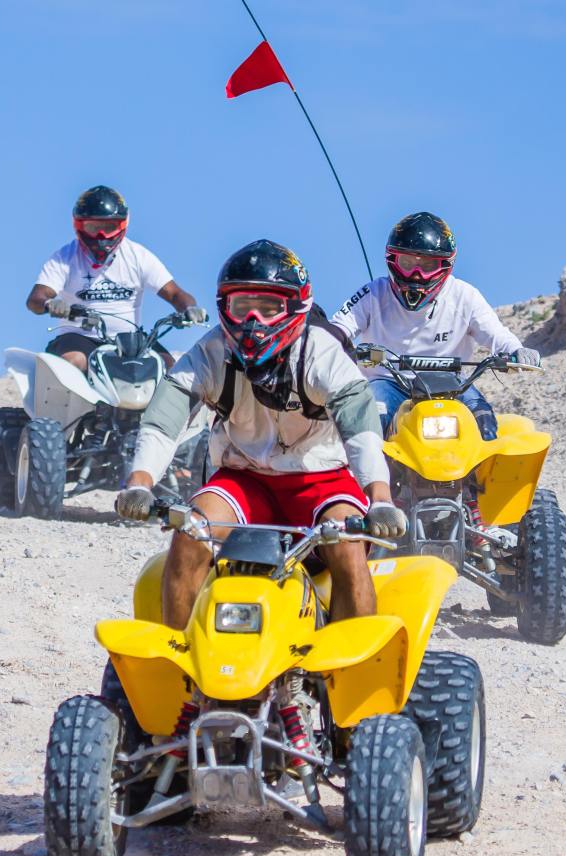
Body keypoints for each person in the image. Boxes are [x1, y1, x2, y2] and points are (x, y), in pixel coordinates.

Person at [115, 239, 406, 629]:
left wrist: (380, 498)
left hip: (320, 480)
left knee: (348, 548)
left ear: (297, 307)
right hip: (244, 479)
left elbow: (360, 429)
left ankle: (355, 662)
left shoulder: (321, 353)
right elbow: (165, 420)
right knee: (189, 534)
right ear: (224, 307)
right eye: (242, 307)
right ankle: (180, 658)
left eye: (269, 308)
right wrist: (140, 483)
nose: (253, 322)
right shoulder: (210, 352)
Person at [331, 211, 541, 440]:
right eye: (407, 263)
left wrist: (516, 350)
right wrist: (329, 348)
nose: (416, 275)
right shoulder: (373, 293)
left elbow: (496, 334)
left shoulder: (464, 296)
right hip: (387, 382)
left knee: (483, 421)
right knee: (367, 422)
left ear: (445, 265)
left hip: (451, 386)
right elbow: (338, 328)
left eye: (428, 265)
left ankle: (481, 465)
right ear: (392, 260)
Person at [25, 185, 204, 371]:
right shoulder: (64, 258)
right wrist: (49, 303)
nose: (101, 235)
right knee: (74, 362)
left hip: (129, 340)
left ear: (122, 225)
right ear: (79, 225)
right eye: (93, 227)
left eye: (109, 227)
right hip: (79, 337)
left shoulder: (138, 256)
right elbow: (35, 298)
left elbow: (174, 293)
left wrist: (190, 308)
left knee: (167, 365)